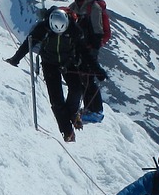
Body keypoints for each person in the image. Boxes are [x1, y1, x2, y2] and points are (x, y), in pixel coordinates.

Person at [6, 7, 103, 142]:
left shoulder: (73, 29)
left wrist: (97, 71)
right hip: (49, 63)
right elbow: (29, 42)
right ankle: (67, 131)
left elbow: (84, 52)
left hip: (68, 62)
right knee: (56, 99)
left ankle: (72, 113)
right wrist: (16, 58)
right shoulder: (43, 27)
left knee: (76, 89)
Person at [67, 0, 108, 121]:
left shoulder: (94, 8)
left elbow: (98, 31)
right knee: (82, 78)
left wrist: (93, 50)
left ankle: (96, 110)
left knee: (88, 78)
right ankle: (89, 108)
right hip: (78, 48)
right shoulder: (73, 6)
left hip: (89, 49)